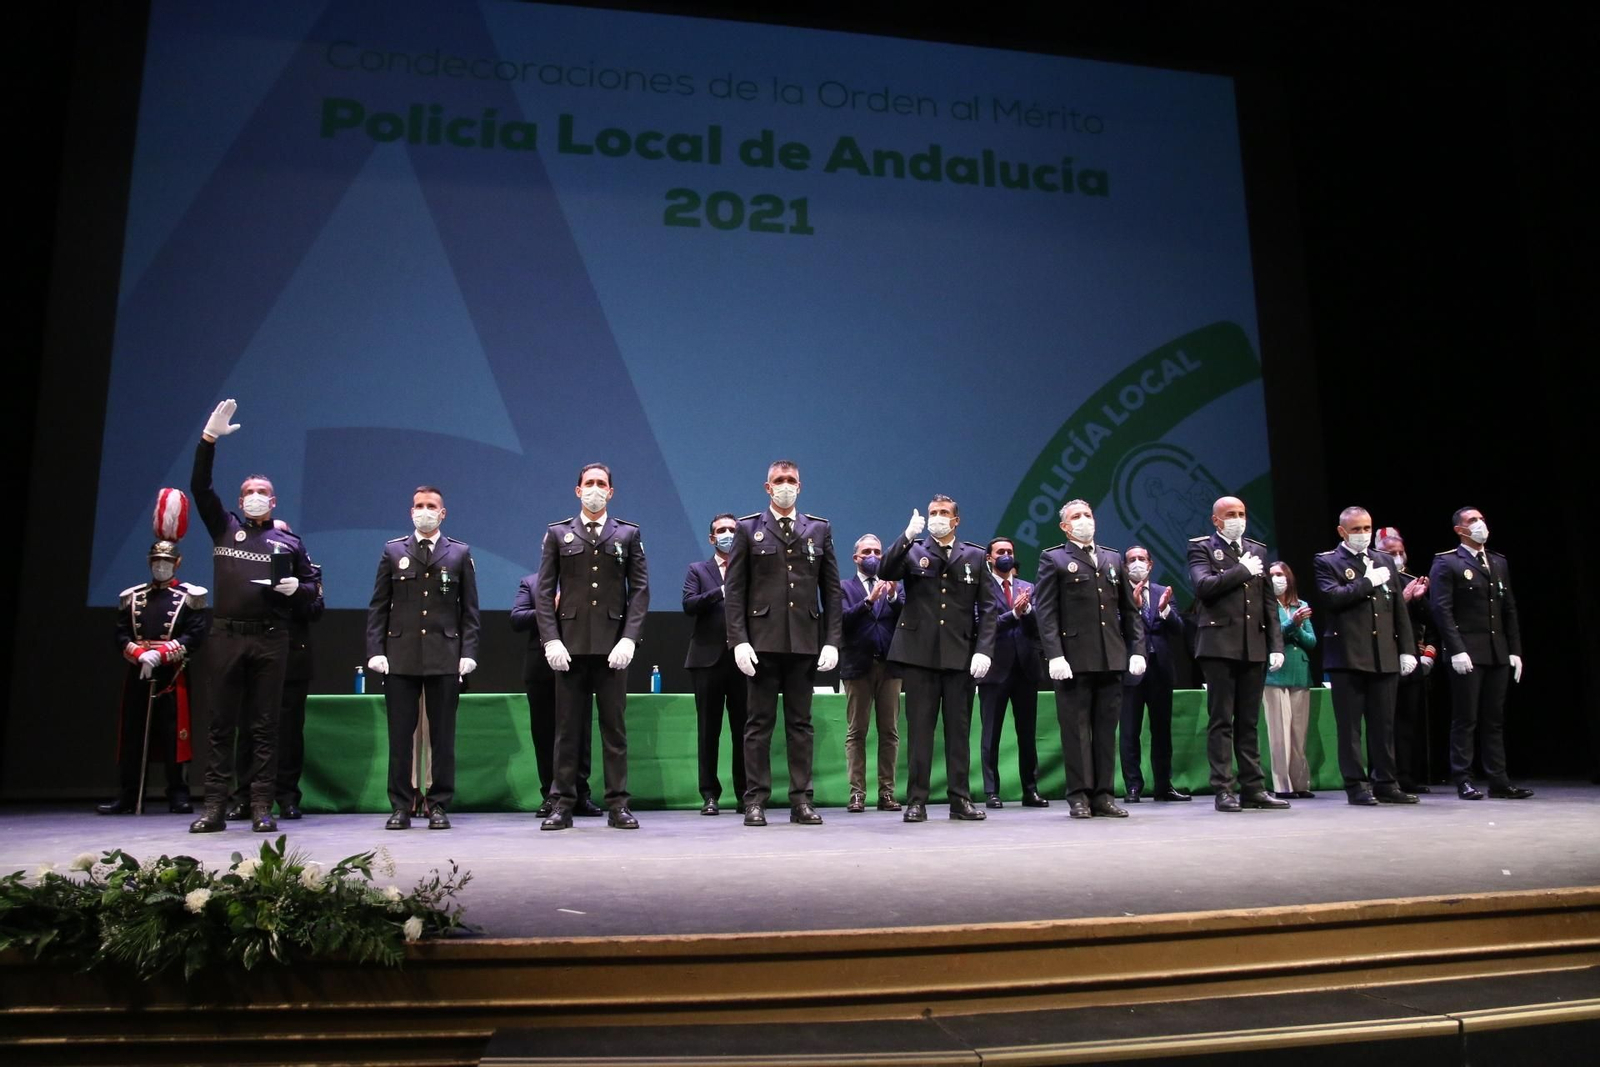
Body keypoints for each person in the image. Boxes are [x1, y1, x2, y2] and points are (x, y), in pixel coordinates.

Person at [188, 400, 320, 833]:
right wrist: (209, 440)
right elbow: (200, 487)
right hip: (225, 636)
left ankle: (262, 806)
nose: (256, 497)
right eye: (249, 492)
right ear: (241, 500)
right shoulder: (224, 528)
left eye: (263, 492)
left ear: (274, 500)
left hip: (271, 638)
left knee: (266, 726)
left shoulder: (289, 544)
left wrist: (294, 589)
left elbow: (313, 592)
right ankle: (213, 805)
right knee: (221, 724)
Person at [724, 460, 841, 827]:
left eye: (791, 480)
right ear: (767, 487)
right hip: (761, 643)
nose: (785, 485)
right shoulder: (748, 529)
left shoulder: (818, 529)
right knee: (758, 725)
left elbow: (831, 590)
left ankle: (801, 800)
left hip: (804, 641)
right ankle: (755, 800)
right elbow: (735, 591)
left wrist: (832, 640)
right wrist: (738, 641)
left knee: (800, 725)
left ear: (800, 486)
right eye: (779, 480)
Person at [536, 463, 649, 830]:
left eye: (602, 484)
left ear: (611, 492)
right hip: (569, 649)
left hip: (612, 650)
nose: (595, 489)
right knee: (567, 731)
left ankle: (618, 804)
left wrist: (629, 638)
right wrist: (551, 638)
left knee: (614, 729)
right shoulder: (558, 534)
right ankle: (562, 803)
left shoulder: (628, 534)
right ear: (577, 490)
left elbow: (640, 591)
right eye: (589, 484)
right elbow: (543, 592)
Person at [366, 486, 480, 830]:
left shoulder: (458, 553)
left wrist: (468, 653)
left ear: (442, 513)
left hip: (444, 656)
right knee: (400, 735)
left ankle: (439, 803)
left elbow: (470, 611)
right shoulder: (393, 550)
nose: (425, 511)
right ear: (410, 511)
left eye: (431, 506)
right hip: (400, 656)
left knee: (442, 737)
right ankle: (401, 805)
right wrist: (375, 651)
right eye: (419, 506)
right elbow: (378, 606)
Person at [880, 496, 996, 823]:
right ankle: (917, 800)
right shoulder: (914, 550)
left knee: (958, 732)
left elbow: (987, 608)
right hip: (920, 654)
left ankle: (960, 799)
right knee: (920, 732)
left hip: (960, 655)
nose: (938, 518)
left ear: (956, 520)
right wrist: (905, 536)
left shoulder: (974, 555)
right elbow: (886, 570)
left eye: (944, 513)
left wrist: (984, 649)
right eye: (933, 513)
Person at [1035, 500, 1146, 819]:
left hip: (1110, 657)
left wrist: (1137, 649)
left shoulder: (1112, 558)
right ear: (1065, 527)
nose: (1084, 520)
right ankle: (1079, 795)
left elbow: (1129, 610)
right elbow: (1046, 612)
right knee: (1076, 730)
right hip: (1073, 660)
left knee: (1105, 729)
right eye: (1076, 517)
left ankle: (1104, 795)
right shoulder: (1053, 558)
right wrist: (1055, 655)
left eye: (1088, 515)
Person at [1187, 496, 1290, 812]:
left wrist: (1275, 644)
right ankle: (1223, 789)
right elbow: (1203, 586)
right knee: (1221, 720)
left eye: (1242, 513)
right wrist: (1241, 570)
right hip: (1218, 644)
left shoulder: (1256, 548)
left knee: (1249, 720)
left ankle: (1254, 788)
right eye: (1230, 514)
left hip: (1252, 645)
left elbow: (1268, 603)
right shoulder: (1202, 547)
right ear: (1216, 520)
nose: (1237, 519)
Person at [1314, 506, 1419, 805]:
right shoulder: (1328, 561)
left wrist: (1406, 650)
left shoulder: (1383, 559)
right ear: (1342, 531)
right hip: (1348, 656)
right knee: (1349, 728)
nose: (1363, 534)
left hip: (1383, 653)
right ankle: (1356, 785)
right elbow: (1332, 597)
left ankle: (1386, 781)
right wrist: (1366, 582)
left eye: (1367, 528)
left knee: (1383, 725)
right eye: (1357, 529)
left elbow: (1399, 609)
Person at [99, 538, 208, 815]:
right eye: (157, 561)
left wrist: (162, 654)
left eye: (167, 562)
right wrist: (138, 654)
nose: (161, 566)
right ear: (149, 562)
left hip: (172, 673)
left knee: (175, 734)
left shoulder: (189, 597)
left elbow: (194, 635)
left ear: (177, 563)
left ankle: (178, 793)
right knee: (133, 733)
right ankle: (129, 794)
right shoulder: (133, 596)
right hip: (139, 671)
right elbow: (120, 634)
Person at [1429, 507, 1531, 800]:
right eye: (1472, 521)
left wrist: (1515, 651)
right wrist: (1456, 649)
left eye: (1481, 519)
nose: (1479, 524)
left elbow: (1508, 608)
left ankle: (1499, 780)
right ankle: (1463, 778)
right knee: (1465, 718)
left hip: (1496, 651)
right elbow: (1442, 610)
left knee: (1494, 718)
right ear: (1459, 530)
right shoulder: (1447, 562)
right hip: (1467, 653)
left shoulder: (1498, 562)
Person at [228, 520, 322, 821]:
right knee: (248, 731)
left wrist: (294, 591)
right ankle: (243, 797)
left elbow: (316, 610)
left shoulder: (308, 571)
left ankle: (287, 797)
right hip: (253, 655)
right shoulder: (246, 566)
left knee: (290, 733)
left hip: (292, 658)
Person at [511, 574, 599, 819]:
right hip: (541, 668)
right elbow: (517, 618)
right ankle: (551, 795)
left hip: (579, 664)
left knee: (580, 731)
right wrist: (548, 609)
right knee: (545, 733)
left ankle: (581, 793)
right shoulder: (531, 583)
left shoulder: (585, 579)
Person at [682, 514, 749, 815]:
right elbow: (689, 604)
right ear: (711, 538)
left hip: (743, 659)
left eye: (732, 530)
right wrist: (720, 592)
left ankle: (746, 794)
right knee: (708, 731)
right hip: (707, 660)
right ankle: (709, 794)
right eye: (721, 531)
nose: (727, 534)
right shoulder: (698, 569)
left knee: (744, 730)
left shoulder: (751, 569)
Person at [978, 537, 1047, 808]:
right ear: (989, 558)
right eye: (1000, 552)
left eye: (1009, 551)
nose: (1006, 555)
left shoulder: (1028, 587)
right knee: (991, 734)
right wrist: (1013, 615)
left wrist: (1028, 611)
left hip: (1026, 669)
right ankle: (991, 791)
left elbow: (1040, 628)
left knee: (1027, 734)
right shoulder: (981, 589)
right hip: (994, 669)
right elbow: (982, 626)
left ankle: (1030, 789)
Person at [1118, 545, 1189, 803]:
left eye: (1142, 559)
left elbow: (1179, 629)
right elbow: (1116, 628)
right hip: (1131, 671)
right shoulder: (1119, 592)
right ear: (1125, 566)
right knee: (1129, 731)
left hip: (1161, 671)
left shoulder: (1163, 592)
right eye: (1132, 559)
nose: (1137, 563)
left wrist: (1165, 610)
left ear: (1151, 563)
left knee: (1162, 731)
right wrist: (1134, 608)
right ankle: (1133, 787)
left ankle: (1164, 786)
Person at [838, 533, 904, 813]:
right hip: (857, 667)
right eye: (867, 552)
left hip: (889, 666)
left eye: (877, 551)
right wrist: (867, 603)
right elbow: (840, 621)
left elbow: (906, 617)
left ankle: (887, 793)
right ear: (856, 557)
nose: (873, 556)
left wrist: (890, 596)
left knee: (889, 732)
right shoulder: (843, 587)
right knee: (857, 732)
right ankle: (857, 793)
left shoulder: (895, 587)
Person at [1378, 526, 1437, 792]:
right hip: (1383, 658)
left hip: (1410, 657)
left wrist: (1421, 600)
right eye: (1392, 553)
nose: (1398, 557)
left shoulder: (1411, 579)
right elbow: (1379, 618)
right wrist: (1404, 599)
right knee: (1385, 722)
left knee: (1408, 721)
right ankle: (1385, 777)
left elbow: (1427, 621)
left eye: (1401, 552)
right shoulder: (1376, 581)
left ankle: (1407, 776)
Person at [1262, 561, 1316, 799]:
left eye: (1280, 574)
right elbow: (1269, 636)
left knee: (1298, 733)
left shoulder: (1300, 605)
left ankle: (1300, 783)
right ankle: (1282, 785)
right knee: (1279, 732)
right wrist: (1292, 624)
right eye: (1272, 575)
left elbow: (1311, 641)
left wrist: (1298, 629)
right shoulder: (1265, 605)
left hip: (1300, 673)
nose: (1277, 579)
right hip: (1275, 674)